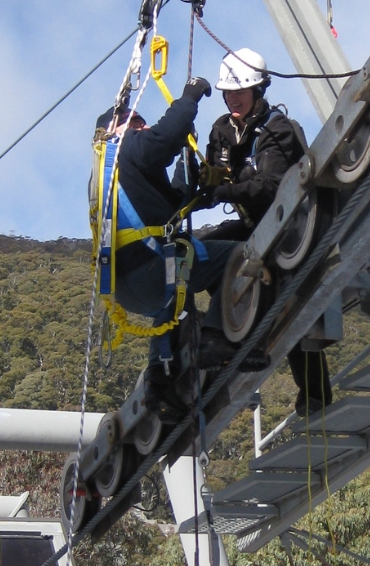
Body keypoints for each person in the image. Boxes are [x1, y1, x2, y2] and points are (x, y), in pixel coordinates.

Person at [93, 77, 243, 422]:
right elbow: (163, 137)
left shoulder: (110, 174)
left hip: (128, 283)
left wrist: (193, 182)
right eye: (134, 122)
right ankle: (216, 338)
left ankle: (160, 385)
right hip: (151, 267)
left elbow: (166, 208)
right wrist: (189, 98)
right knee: (237, 256)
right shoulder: (124, 146)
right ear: (114, 130)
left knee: (177, 304)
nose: (141, 125)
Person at [196, 48, 333, 418]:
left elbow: (270, 186)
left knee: (283, 295)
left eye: (239, 92)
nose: (232, 99)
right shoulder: (222, 131)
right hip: (252, 222)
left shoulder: (277, 130)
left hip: (290, 223)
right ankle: (219, 336)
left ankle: (315, 393)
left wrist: (221, 191)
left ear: (259, 90)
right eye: (228, 93)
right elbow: (215, 173)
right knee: (197, 256)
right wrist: (199, 188)